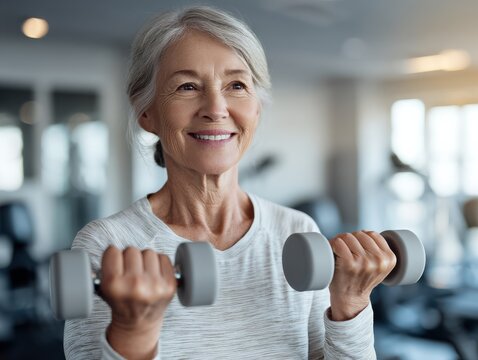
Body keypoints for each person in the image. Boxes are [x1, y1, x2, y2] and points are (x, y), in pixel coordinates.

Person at [64, 6, 396, 360]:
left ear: (257, 107)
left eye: (236, 85)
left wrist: (350, 304)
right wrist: (133, 333)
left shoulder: (296, 230)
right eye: (187, 86)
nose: (216, 108)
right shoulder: (107, 246)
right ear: (147, 112)